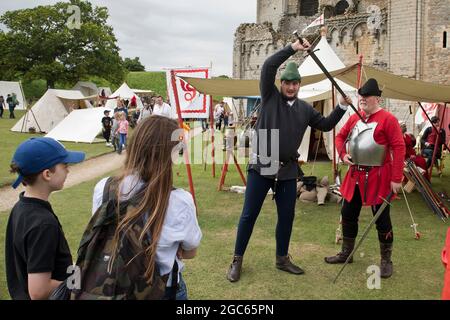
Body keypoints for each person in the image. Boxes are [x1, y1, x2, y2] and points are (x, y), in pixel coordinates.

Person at [226, 38, 350, 282]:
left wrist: (342, 107)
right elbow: (268, 67)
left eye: (294, 83)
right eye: (287, 83)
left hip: (287, 170)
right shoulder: (270, 97)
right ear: (281, 84)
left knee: (287, 216)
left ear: (299, 85)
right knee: (249, 215)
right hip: (263, 164)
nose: (291, 87)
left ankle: (282, 258)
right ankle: (237, 259)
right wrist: (292, 48)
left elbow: (325, 125)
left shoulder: (305, 109)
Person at [90, 115, 202, 299]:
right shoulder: (180, 201)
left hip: (112, 285)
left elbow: (100, 235)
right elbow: (190, 251)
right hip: (163, 289)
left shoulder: (104, 188)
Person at [324, 78, 405, 279]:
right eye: (361, 96)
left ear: (377, 98)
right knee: (348, 213)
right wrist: (343, 155)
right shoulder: (355, 118)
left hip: (379, 176)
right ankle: (346, 253)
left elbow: (399, 147)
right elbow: (340, 137)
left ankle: (386, 260)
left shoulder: (388, 119)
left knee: (382, 219)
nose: (363, 99)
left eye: (367, 96)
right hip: (356, 175)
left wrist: (396, 177)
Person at [6, 137, 85, 299]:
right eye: (65, 166)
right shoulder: (43, 224)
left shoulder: (20, 207)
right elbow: (39, 291)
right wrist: (79, 278)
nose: (68, 170)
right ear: (47, 174)